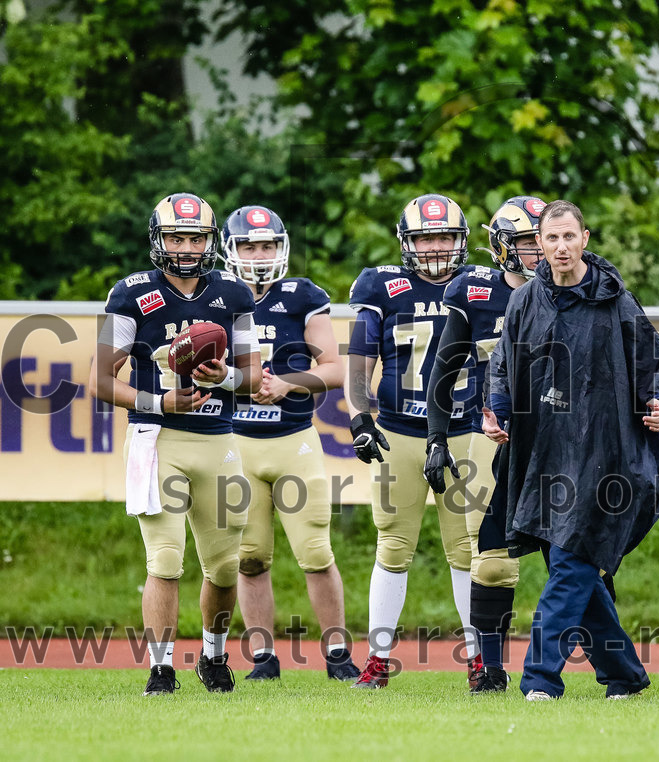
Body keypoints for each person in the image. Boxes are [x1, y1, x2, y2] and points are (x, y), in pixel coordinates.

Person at [484, 199, 659, 701]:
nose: (558, 247)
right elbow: (503, 367)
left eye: (567, 237)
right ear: (539, 244)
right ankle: (624, 674)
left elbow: (653, 365)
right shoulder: (524, 302)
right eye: (548, 239)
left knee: (572, 561)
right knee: (568, 564)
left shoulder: (616, 302)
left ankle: (539, 680)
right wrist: (496, 409)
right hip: (543, 453)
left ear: (585, 238)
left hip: (605, 454)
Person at [89, 192, 262, 695]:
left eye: (195, 237)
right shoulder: (131, 293)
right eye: (176, 237)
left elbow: (252, 378)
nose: (186, 248)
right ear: (158, 239)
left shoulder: (233, 294)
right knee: (164, 560)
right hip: (156, 437)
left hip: (219, 439)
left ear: (211, 241)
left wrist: (224, 376)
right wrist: (160, 401)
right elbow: (100, 379)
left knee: (226, 566)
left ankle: (212, 656)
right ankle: (160, 668)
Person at [219, 205, 360, 682]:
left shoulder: (303, 295)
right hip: (235, 442)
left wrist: (287, 384)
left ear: (281, 248)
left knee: (316, 551)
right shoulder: (214, 298)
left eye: (267, 245)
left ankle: (337, 653)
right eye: (249, 246)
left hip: (292, 441)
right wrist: (231, 380)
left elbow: (335, 370)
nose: (259, 255)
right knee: (250, 557)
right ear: (231, 249)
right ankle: (264, 657)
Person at [346, 193, 480, 688]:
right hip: (399, 431)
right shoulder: (382, 285)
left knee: (468, 549)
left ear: (460, 241)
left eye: (444, 235)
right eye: (426, 236)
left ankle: (479, 660)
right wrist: (360, 416)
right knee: (394, 544)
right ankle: (377, 661)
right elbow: (359, 360)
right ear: (408, 242)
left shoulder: (478, 286)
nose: (436, 246)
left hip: (464, 431)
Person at [424, 195, 547, 692]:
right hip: (489, 439)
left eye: (543, 241)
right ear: (502, 246)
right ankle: (490, 669)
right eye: (526, 242)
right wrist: (436, 438)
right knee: (492, 557)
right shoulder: (473, 291)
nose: (538, 252)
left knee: (577, 554)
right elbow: (444, 370)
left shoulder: (576, 289)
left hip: (564, 439)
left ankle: (612, 664)